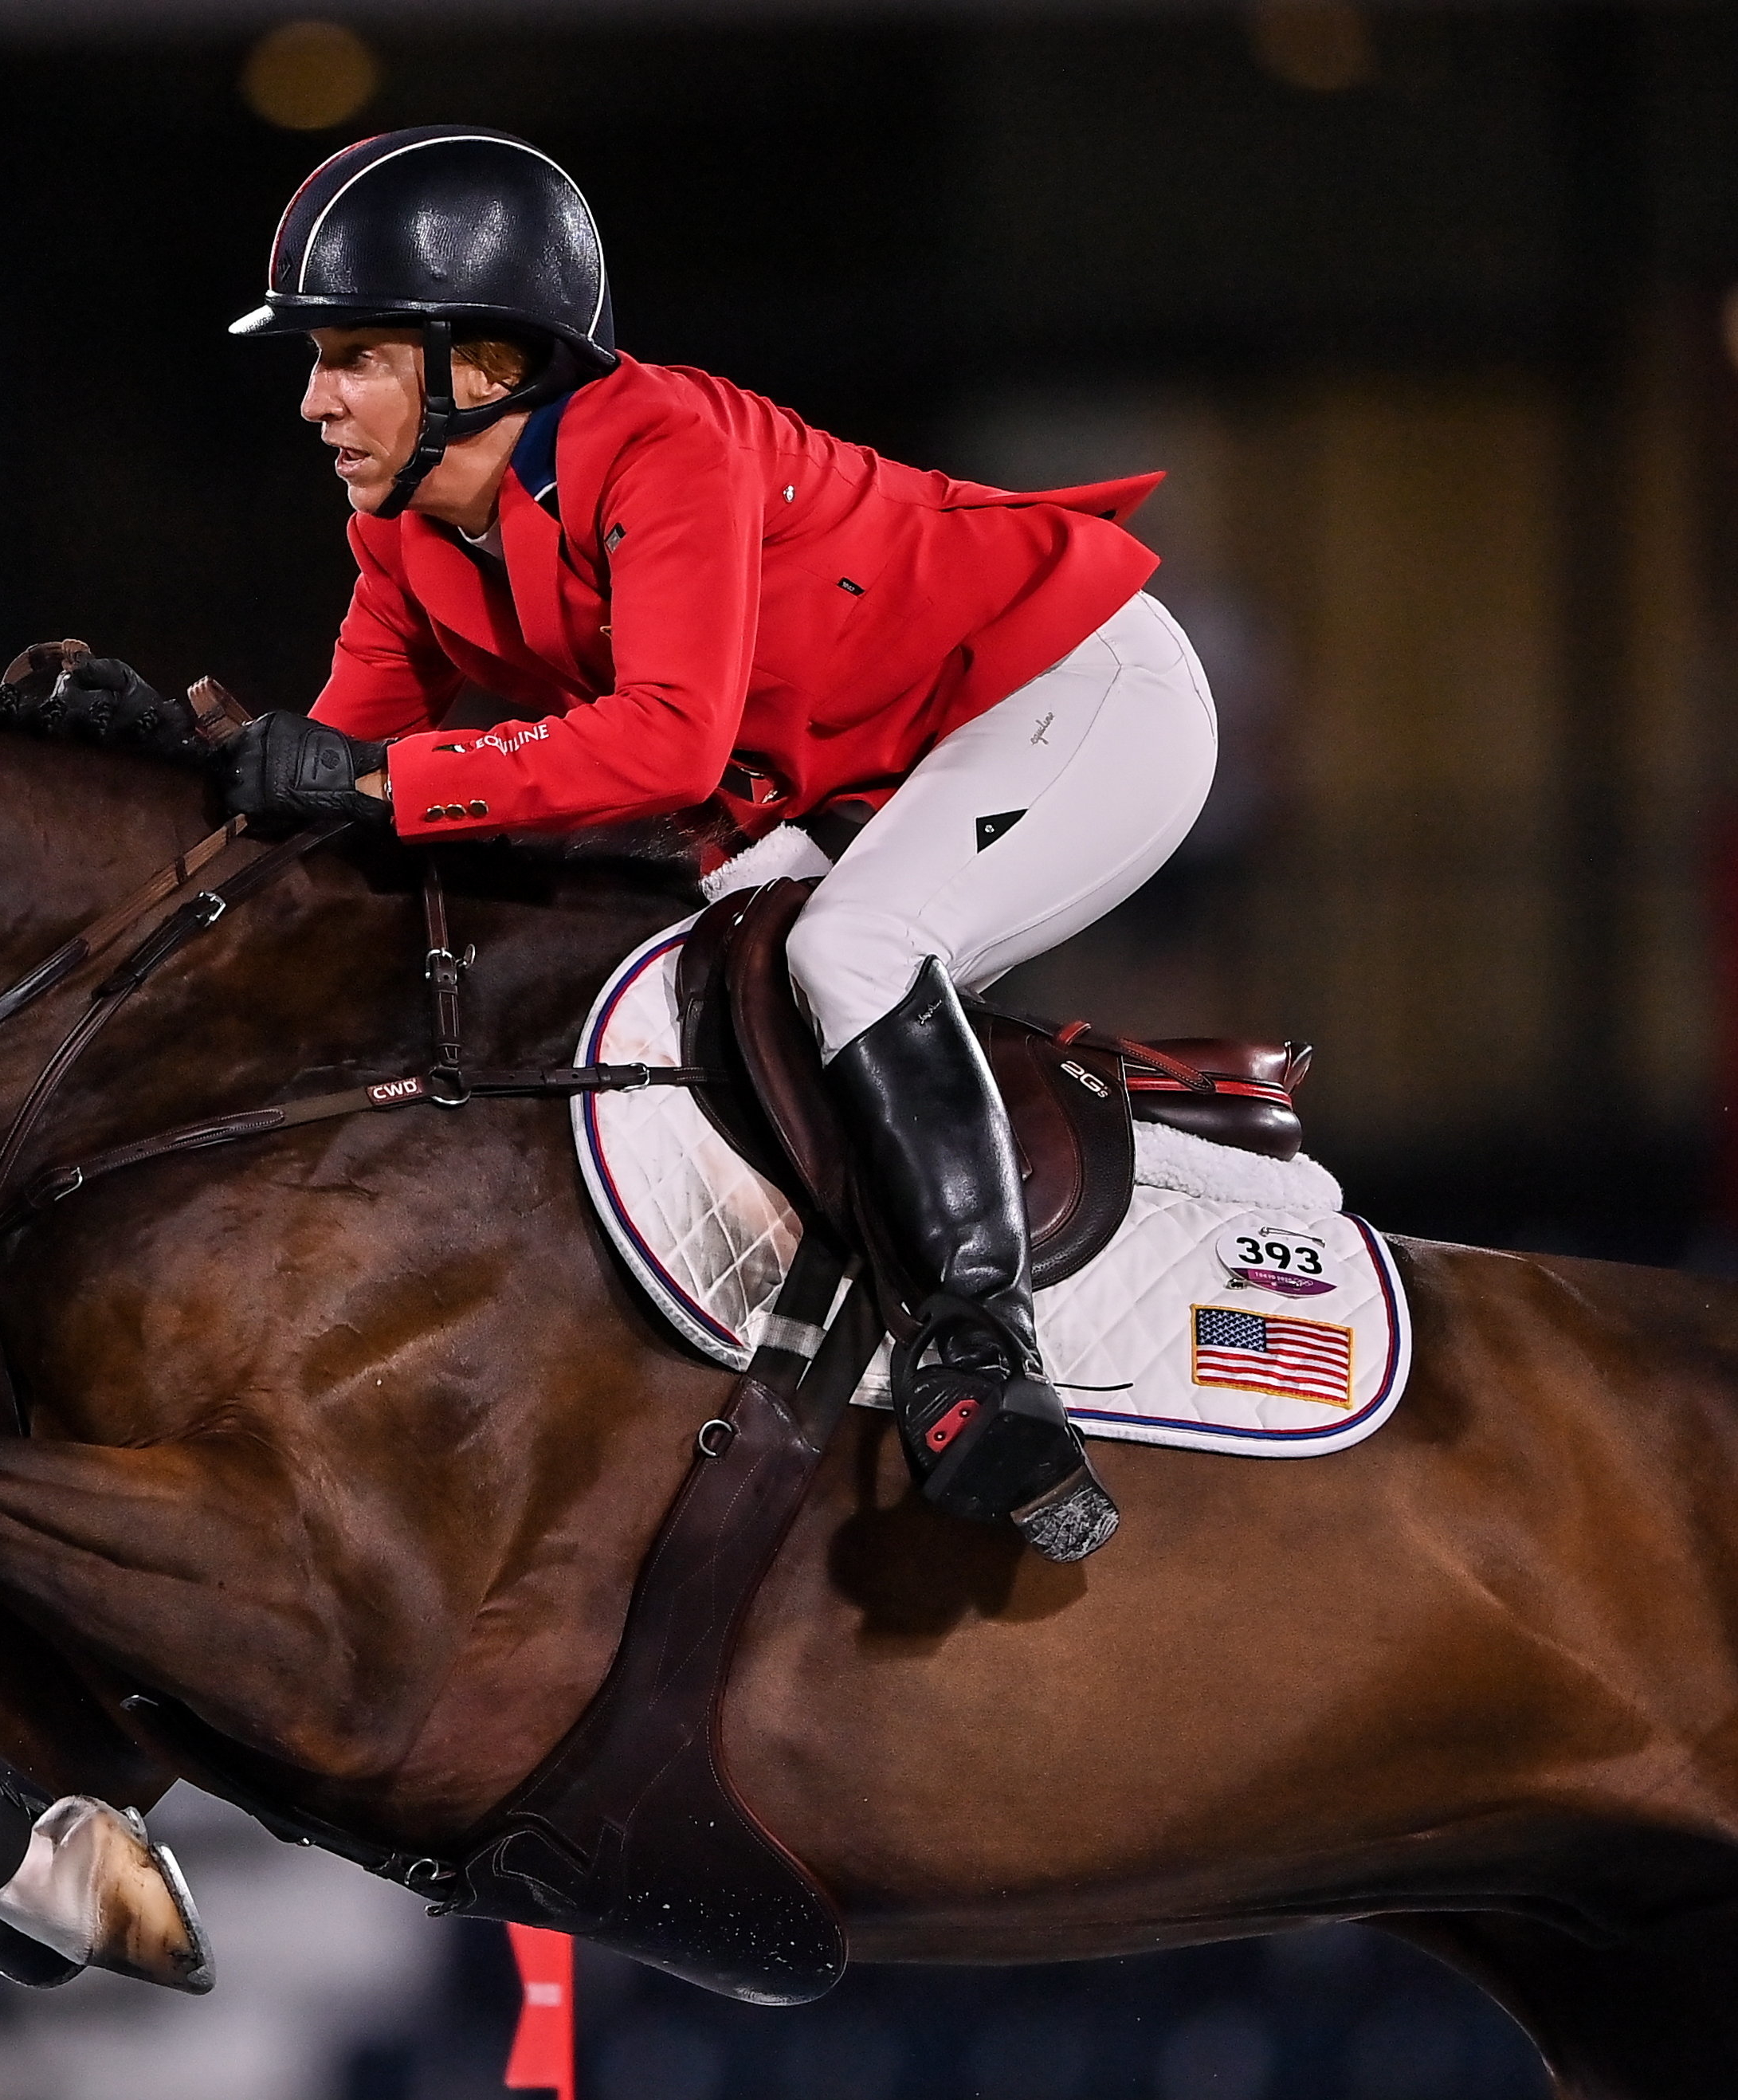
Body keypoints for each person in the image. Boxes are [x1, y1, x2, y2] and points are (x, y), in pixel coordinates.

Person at [116, 127, 1216, 1560]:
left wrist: (378, 783)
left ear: (492, 366)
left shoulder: (664, 445)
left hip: (1077, 691)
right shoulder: (401, 534)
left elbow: (664, 746)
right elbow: (333, 778)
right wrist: (170, 770)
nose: (316, 402)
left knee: (856, 945)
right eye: (316, 362)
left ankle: (979, 1359)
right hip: (869, 772)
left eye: (356, 358)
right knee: (685, 977)